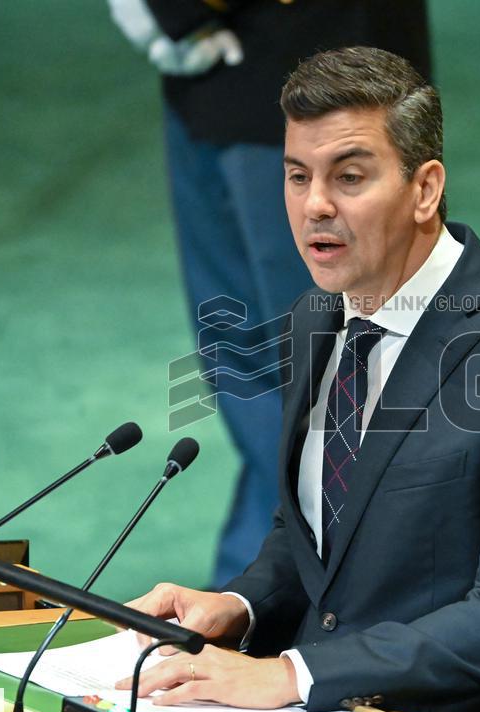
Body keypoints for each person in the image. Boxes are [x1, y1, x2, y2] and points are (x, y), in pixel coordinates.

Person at [117, 47, 480, 712]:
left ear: (425, 189)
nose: (315, 205)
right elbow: (319, 538)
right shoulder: (314, 319)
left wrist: (293, 673)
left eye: (349, 177)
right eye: (298, 177)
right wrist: (239, 607)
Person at [109, 0, 432, 589]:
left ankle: (302, 602)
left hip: (321, 83)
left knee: (332, 372)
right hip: (208, 79)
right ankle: (261, 594)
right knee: (243, 366)